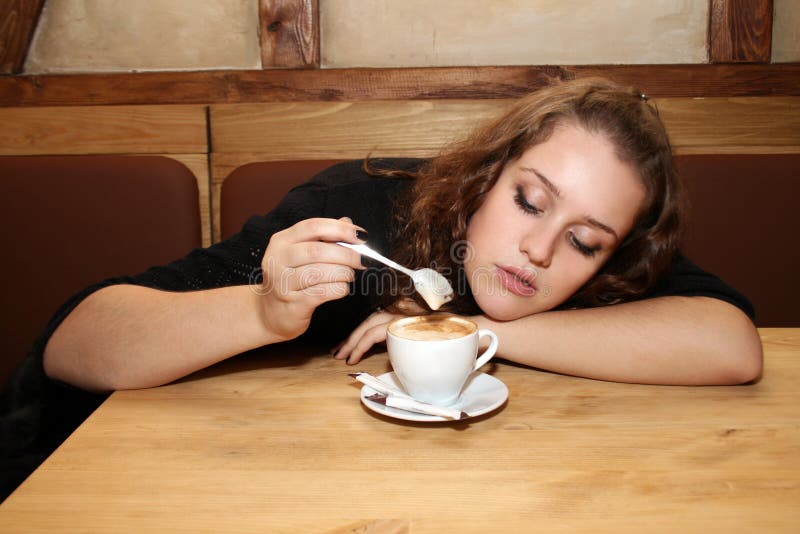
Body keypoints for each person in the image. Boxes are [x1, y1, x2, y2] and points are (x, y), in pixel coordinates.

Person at [1, 77, 762, 497]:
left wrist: (488, 334)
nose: (538, 249)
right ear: (483, 177)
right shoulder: (362, 216)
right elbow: (77, 341)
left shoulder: (603, 277)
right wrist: (264, 309)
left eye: (585, 241)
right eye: (529, 200)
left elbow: (728, 341)